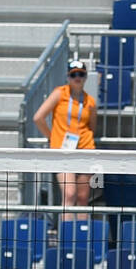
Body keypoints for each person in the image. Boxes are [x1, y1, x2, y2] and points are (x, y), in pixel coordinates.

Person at [32, 57, 98, 218]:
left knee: (83, 198)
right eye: (74, 74)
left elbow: (92, 126)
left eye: (81, 75)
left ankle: (82, 237)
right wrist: (52, 137)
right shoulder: (59, 93)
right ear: (68, 77)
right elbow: (38, 118)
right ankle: (66, 237)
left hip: (85, 148)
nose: (77, 78)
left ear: (85, 77)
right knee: (69, 194)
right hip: (63, 150)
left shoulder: (90, 101)